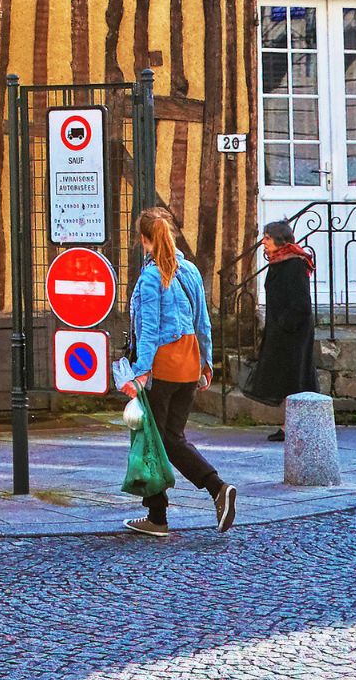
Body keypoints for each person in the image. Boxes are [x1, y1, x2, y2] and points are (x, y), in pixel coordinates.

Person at [123, 205, 234, 536]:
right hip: (188, 364)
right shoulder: (191, 272)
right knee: (171, 438)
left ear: (144, 240)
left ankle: (161, 515)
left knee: (151, 441)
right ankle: (212, 491)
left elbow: (149, 331)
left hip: (161, 367)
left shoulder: (150, 279)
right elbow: (203, 323)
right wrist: (206, 362)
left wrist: (140, 372)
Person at [244, 219, 319, 441]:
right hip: (282, 331)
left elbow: (302, 305)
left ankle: (295, 427)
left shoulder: (295, 264)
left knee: (296, 380)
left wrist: (284, 324)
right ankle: (290, 426)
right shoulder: (279, 262)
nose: (264, 242)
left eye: (267, 238)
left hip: (294, 333)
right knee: (288, 380)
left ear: (280, 240)